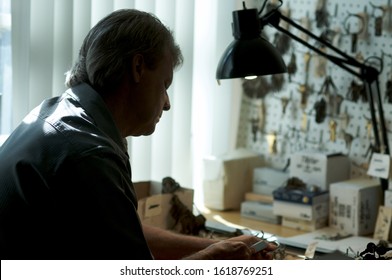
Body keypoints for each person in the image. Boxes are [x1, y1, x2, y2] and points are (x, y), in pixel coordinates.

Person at [0, 9, 275, 260]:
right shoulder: (88, 153)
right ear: (138, 68)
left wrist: (210, 247)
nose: (167, 103)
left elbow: (122, 233)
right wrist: (214, 260)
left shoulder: (58, 113)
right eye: (164, 84)